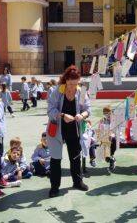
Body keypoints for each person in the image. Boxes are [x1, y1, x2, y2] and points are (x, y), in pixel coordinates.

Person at [47, 65, 91, 198]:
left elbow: (87, 109)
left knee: (75, 156)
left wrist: (81, 115)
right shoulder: (57, 91)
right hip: (57, 128)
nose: (73, 87)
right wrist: (62, 115)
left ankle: (77, 182)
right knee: (55, 159)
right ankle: (54, 187)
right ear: (65, 80)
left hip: (74, 128)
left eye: (76, 84)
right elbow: (50, 110)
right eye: (71, 84)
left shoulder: (81, 91)